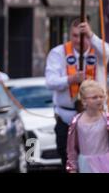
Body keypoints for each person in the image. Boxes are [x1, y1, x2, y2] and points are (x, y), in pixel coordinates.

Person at [45, 19, 109, 170]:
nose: (79, 40)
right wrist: (70, 79)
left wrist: (91, 36)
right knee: (68, 159)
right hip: (67, 117)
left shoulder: (98, 50)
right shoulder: (58, 53)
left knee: (97, 160)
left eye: (83, 36)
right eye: (74, 36)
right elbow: (50, 81)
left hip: (96, 119)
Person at [66, 80, 109, 173]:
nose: (99, 99)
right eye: (94, 97)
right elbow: (71, 148)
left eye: (101, 96)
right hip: (85, 165)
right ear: (84, 101)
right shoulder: (76, 121)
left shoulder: (107, 119)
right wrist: (72, 168)